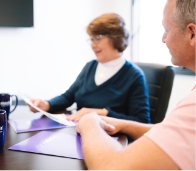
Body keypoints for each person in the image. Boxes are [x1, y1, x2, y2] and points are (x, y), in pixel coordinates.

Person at [76, 0, 196, 170]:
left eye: (166, 30)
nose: (163, 39)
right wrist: (122, 124)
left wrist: (89, 122)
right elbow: (169, 133)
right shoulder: (90, 67)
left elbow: (112, 168)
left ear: (192, 33)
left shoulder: (192, 107)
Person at [28, 13, 150, 123]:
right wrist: (47, 104)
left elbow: (141, 121)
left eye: (98, 38)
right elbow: (68, 97)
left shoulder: (134, 76)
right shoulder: (90, 66)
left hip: (110, 141)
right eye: (91, 39)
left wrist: (104, 113)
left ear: (115, 37)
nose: (92, 45)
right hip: (81, 131)